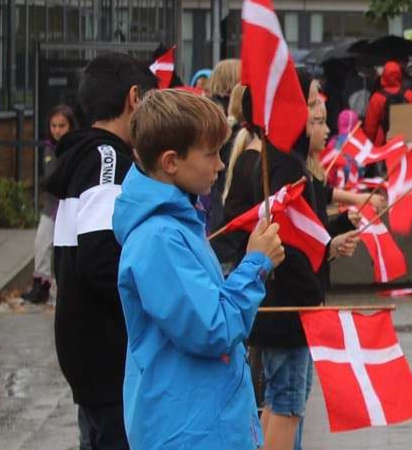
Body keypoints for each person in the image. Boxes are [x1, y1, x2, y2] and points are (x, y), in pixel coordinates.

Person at [113, 89, 284, 450]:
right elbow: (212, 328)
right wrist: (254, 264)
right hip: (189, 431)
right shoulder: (158, 237)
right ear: (171, 161)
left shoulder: (176, 224)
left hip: (202, 423)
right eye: (211, 154)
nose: (221, 164)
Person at [217, 78, 363, 450]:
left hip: (280, 308)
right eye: (311, 102)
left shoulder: (281, 158)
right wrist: (312, 299)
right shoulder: (279, 162)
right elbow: (288, 242)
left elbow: (304, 233)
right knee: (286, 406)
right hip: (287, 311)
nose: (317, 111)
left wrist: (331, 238)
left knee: (277, 404)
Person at [39, 52, 154, 450]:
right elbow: (100, 262)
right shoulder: (107, 159)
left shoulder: (88, 156)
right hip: (108, 358)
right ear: (135, 98)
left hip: (89, 355)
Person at [26, 105, 79, 304]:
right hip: (52, 203)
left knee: (65, 247)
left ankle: (62, 287)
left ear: (70, 126)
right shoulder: (49, 146)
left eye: (61, 126)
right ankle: (42, 284)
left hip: (69, 204)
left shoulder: (75, 147)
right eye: (53, 126)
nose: (57, 130)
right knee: (42, 242)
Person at [364, 60, 412, 146]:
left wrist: (369, 144)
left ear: (384, 75)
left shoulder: (377, 97)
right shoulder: (410, 95)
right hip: (406, 142)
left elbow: (370, 126)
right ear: (400, 75)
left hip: (383, 143)